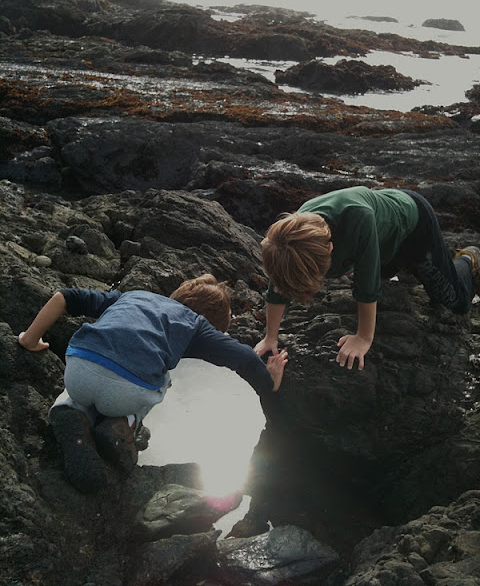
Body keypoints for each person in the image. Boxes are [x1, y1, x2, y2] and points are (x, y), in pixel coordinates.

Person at [18, 275, 288, 493]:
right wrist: (271, 384)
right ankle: (124, 424)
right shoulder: (196, 325)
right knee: (162, 377)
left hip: (80, 369)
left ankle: (69, 409)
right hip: (127, 392)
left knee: (88, 379)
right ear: (214, 324)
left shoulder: (132, 295)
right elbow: (245, 358)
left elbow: (65, 297)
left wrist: (30, 339)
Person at [254, 186, 480, 371]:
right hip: (382, 241)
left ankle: (468, 259)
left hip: (413, 225)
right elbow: (279, 282)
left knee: (453, 300)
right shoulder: (289, 237)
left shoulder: (358, 219)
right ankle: (409, 268)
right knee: (390, 273)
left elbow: (367, 287)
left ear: (331, 248)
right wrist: (270, 337)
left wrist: (363, 338)